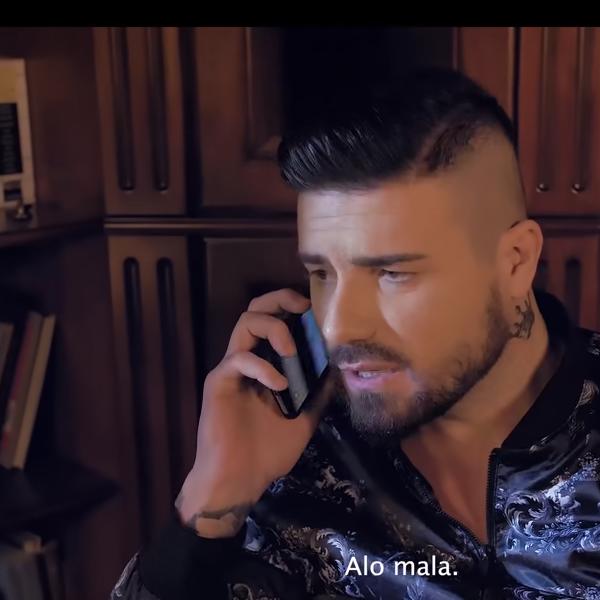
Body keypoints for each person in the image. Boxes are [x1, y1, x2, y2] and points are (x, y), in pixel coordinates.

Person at [112, 68, 600, 599]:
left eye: (392, 273)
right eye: (321, 273)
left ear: (515, 261)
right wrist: (213, 496)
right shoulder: (295, 463)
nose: (337, 325)